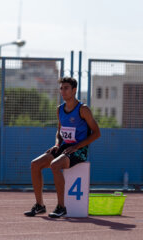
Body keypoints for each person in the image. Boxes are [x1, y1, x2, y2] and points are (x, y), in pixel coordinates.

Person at [24, 77, 101, 218]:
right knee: (35, 164)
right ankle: (40, 205)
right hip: (64, 146)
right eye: (61, 88)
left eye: (66, 88)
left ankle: (61, 207)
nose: (63, 91)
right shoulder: (59, 110)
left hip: (79, 149)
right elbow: (59, 131)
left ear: (74, 90)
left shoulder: (83, 110)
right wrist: (57, 144)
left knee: (55, 165)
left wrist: (77, 146)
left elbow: (97, 133)